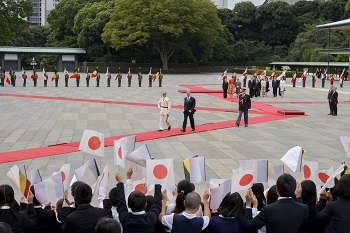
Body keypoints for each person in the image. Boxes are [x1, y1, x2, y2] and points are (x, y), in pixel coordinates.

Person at [244, 174, 308, 233]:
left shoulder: (268, 210)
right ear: (294, 189)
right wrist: (298, 197)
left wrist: (248, 205)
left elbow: (250, 226)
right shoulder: (303, 208)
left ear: (277, 189)